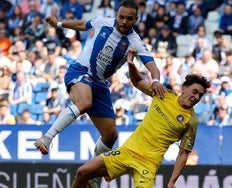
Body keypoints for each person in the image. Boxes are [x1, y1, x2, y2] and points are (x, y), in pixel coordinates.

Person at [34, 0, 164, 162]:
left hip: (100, 84)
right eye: (121, 17)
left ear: (136, 19)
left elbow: (152, 65)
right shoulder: (104, 22)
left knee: (110, 135)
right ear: (117, 15)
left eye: (129, 19)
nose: (124, 21)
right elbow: (83, 24)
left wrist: (156, 80)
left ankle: (92, 170)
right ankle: (47, 137)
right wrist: (59, 23)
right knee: (85, 102)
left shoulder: (135, 42)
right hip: (81, 70)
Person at [70, 49, 211, 188]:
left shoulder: (191, 121)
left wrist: (172, 181)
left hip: (148, 164)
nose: (197, 97)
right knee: (82, 172)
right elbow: (137, 82)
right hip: (127, 152)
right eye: (195, 92)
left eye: (200, 95)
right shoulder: (164, 94)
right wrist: (131, 64)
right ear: (184, 88)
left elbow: (183, 153)